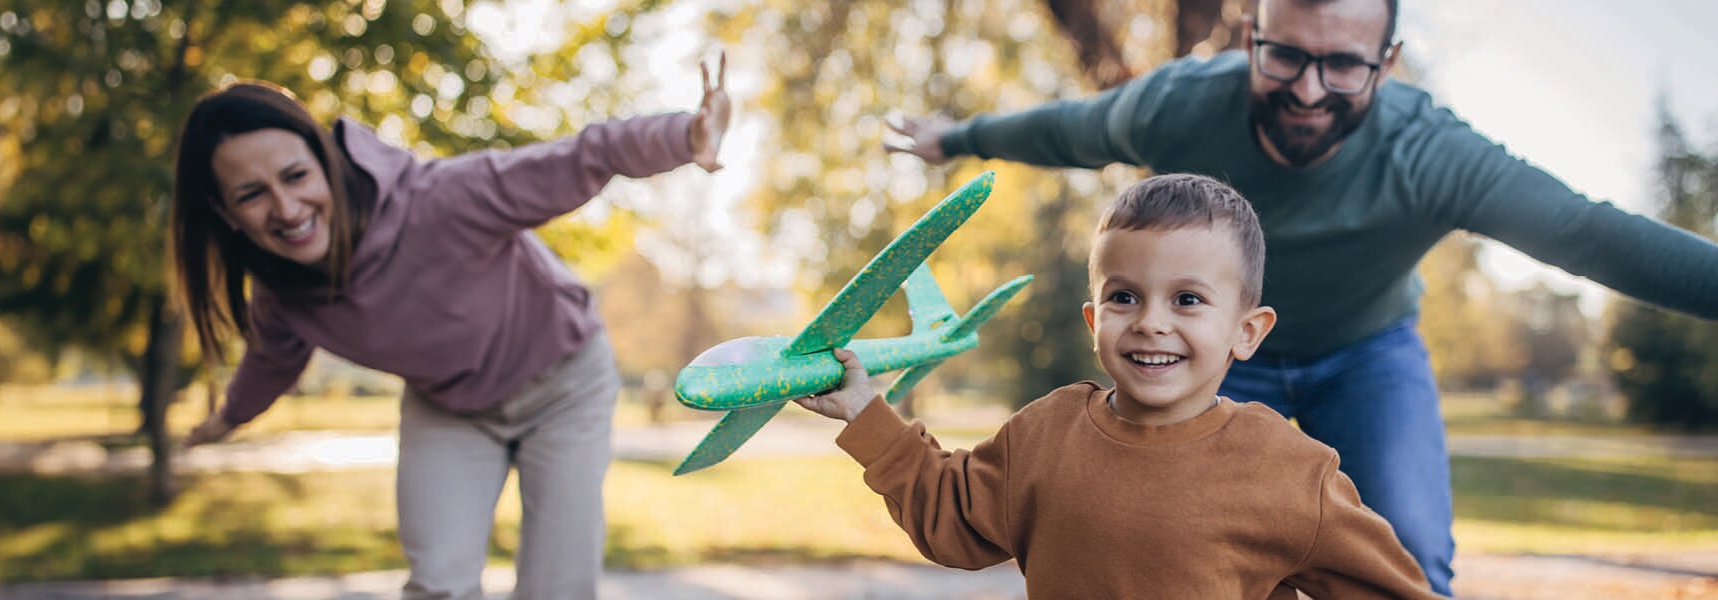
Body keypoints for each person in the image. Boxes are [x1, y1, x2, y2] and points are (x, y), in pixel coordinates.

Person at [881, 0, 1718, 592]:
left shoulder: (1429, 153)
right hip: (1208, 355)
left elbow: (1592, 234)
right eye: (1285, 55)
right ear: (1251, 35)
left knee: (1413, 555)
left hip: (1367, 354)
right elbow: (1070, 127)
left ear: (1386, 63)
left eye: (1345, 64)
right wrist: (954, 139)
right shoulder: (1181, 105)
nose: (1309, 90)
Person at [172, 55, 732, 599]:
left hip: (565, 384)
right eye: (252, 194)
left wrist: (686, 136)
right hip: (449, 406)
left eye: (296, 176)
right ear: (225, 213)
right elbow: (270, 363)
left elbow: (582, 156)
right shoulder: (282, 297)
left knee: (558, 585)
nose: (287, 207)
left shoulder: (441, 200)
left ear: (326, 163)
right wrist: (225, 419)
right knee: (439, 581)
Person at [797, 173, 1443, 599]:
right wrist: (866, 414)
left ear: (1246, 331)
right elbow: (952, 517)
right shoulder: (1047, 432)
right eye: (1124, 296)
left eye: (1188, 299)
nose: (1151, 322)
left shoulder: (1292, 473)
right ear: (1094, 320)